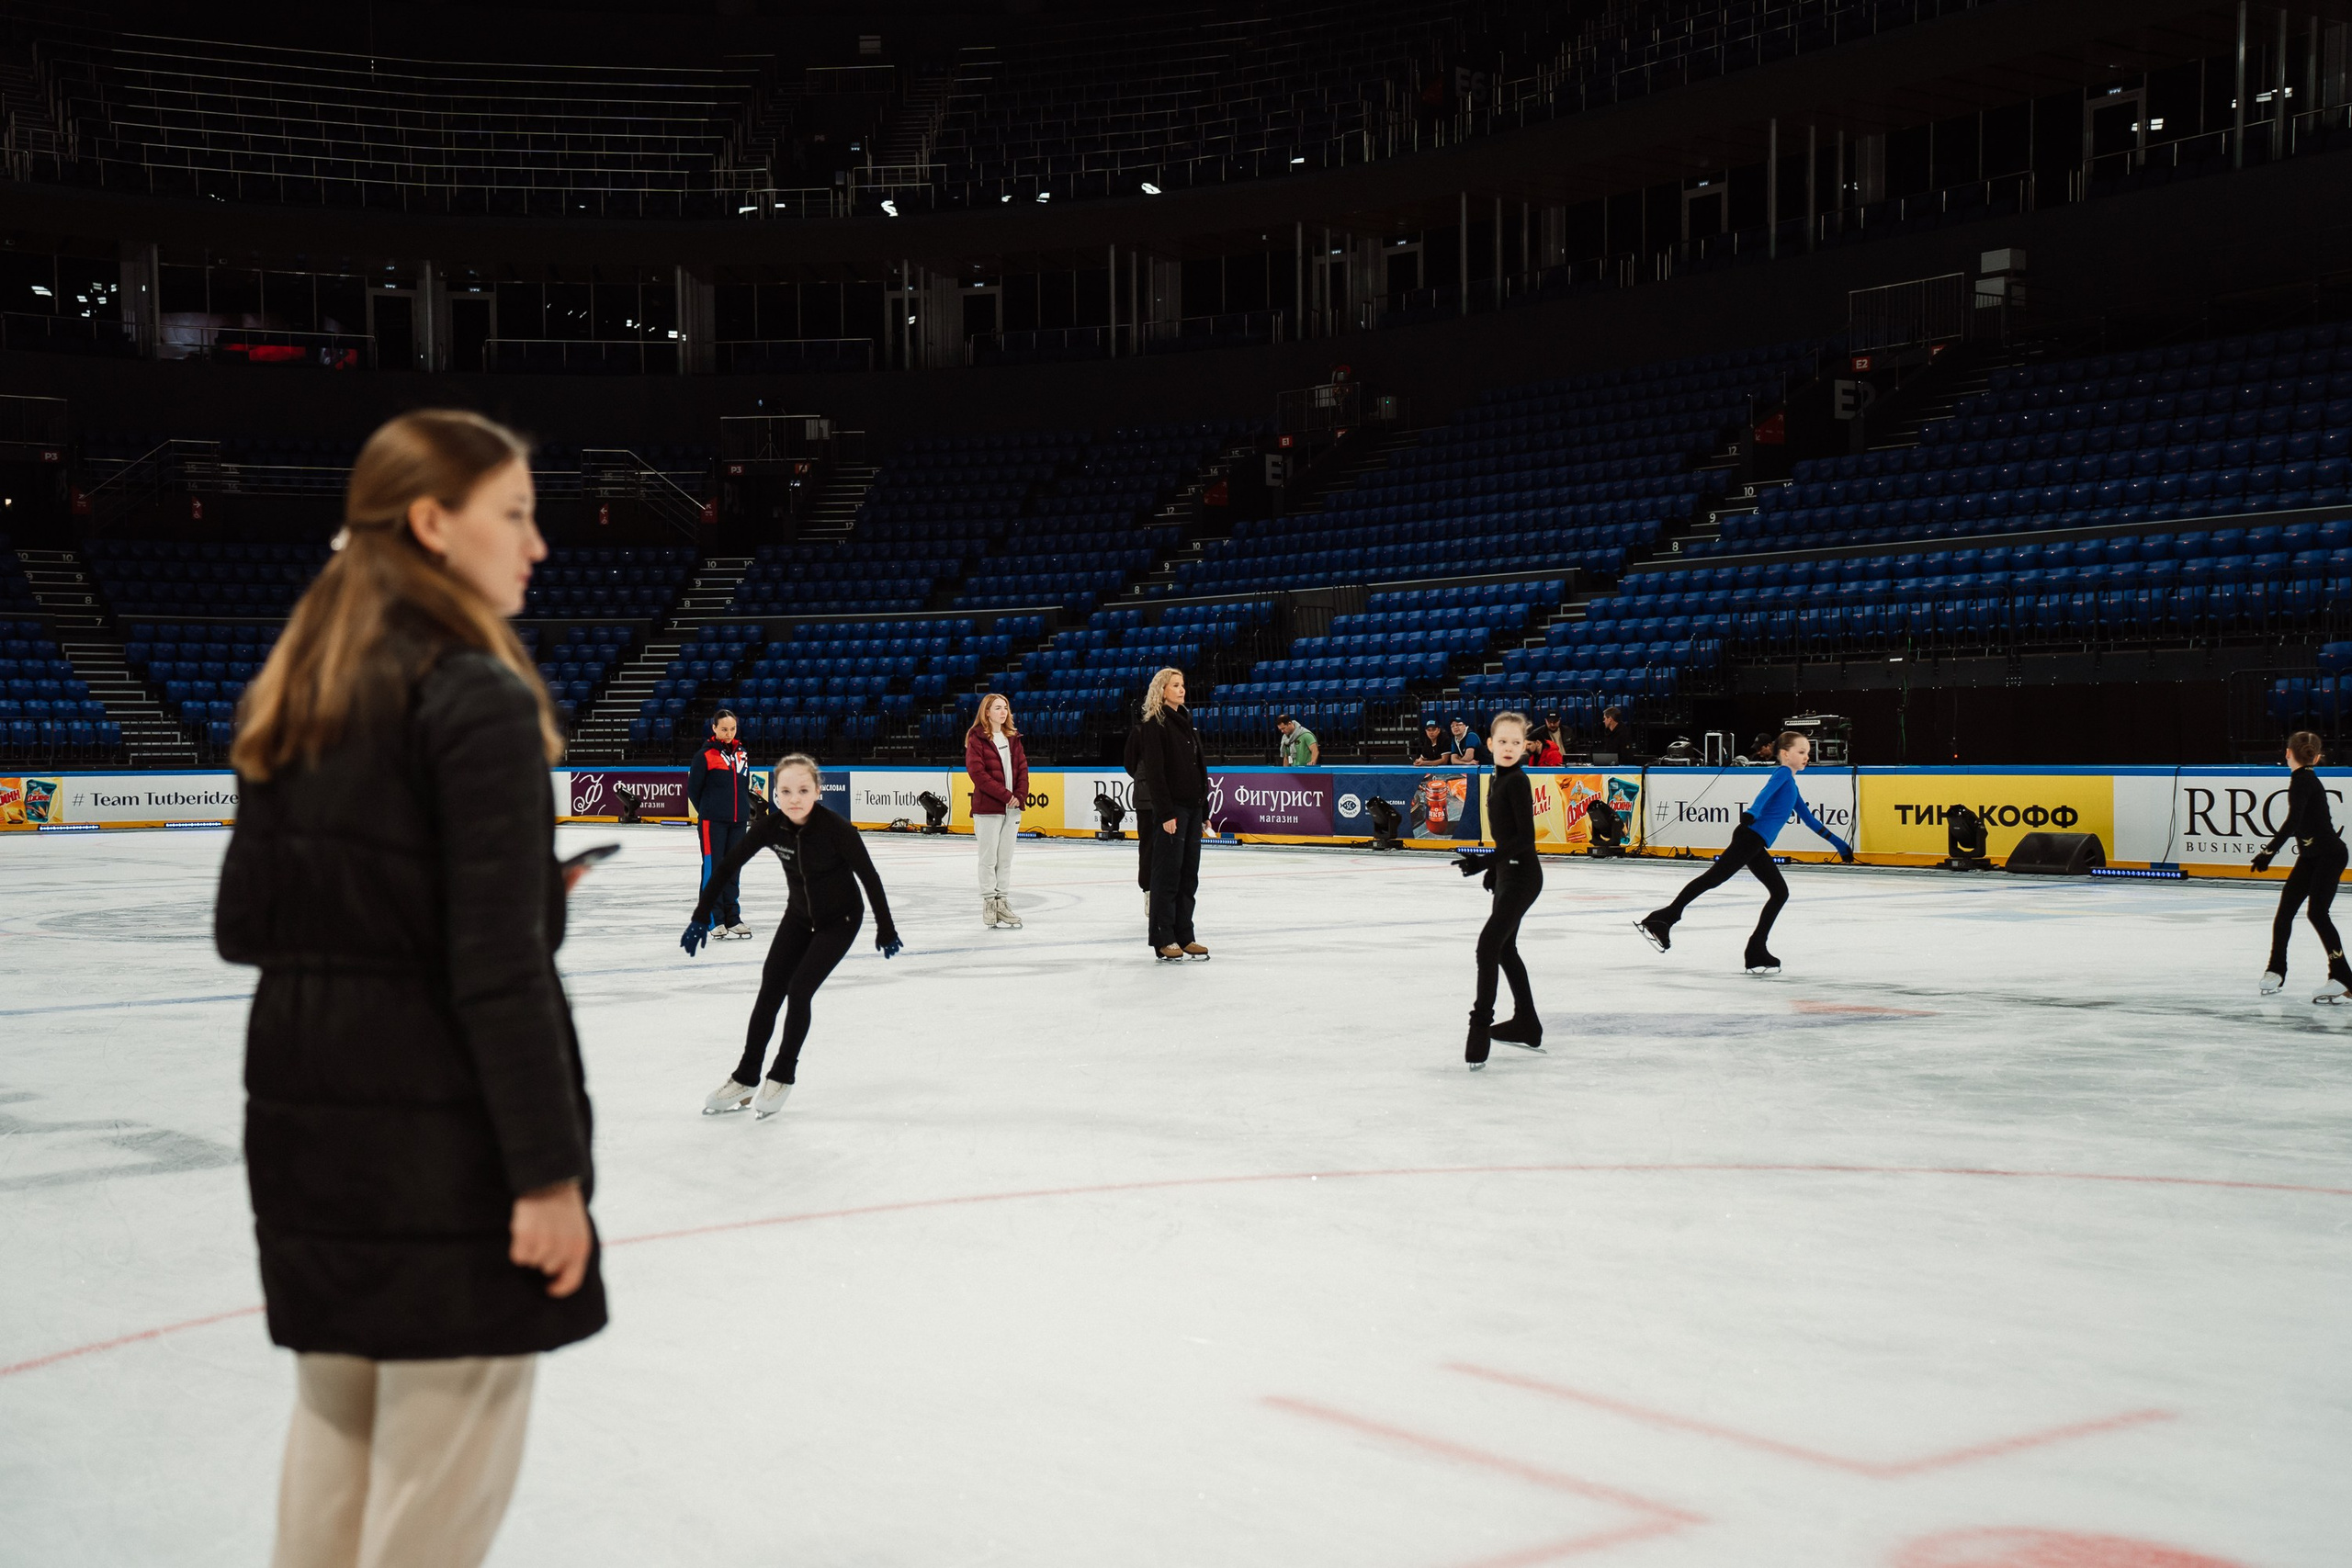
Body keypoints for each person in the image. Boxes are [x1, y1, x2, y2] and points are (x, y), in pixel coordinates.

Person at [217, 409, 601, 1568]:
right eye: (514, 514)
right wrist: (547, 1178)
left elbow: (250, 925)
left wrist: (488, 895)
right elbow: (496, 970)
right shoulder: (475, 693)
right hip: (444, 1150)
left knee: (333, 1460)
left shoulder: (302, 690)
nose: (536, 545)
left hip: (310, 1140)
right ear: (433, 524)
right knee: (439, 1495)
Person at [686, 752, 902, 1118]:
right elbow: (726, 867)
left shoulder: (837, 829)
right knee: (770, 989)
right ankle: (746, 1077)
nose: (794, 798)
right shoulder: (771, 827)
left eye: (803, 790)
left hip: (840, 920)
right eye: (785, 791)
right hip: (799, 917)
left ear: (818, 791)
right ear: (775, 795)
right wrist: (699, 917)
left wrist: (886, 927)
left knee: (800, 990)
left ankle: (782, 1074)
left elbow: (869, 877)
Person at [1635, 728, 1854, 974]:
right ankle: (1665, 918)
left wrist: (1840, 845)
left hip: (1755, 842)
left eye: (1808, 752)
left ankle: (1756, 949)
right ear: (1785, 754)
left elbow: (1811, 821)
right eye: (1801, 752)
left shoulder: (1792, 786)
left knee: (1778, 892)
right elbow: (1765, 793)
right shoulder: (1782, 773)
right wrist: (1752, 812)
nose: (1806, 757)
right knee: (1714, 879)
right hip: (1749, 837)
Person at [1458, 711, 1544, 1068]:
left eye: (1517, 742)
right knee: (1505, 948)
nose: (1509, 748)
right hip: (1508, 873)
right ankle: (1527, 1023)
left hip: (1524, 877)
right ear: (1491, 744)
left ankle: (1480, 1028)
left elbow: (1525, 838)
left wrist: (1485, 862)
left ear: (1525, 747)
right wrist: (1495, 868)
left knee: (1489, 946)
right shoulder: (1497, 780)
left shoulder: (1517, 781)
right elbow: (1506, 834)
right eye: (1503, 741)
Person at [2256, 729, 2351, 1001]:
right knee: (2285, 912)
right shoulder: (2304, 779)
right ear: (2317, 757)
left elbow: (2293, 821)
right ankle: (2276, 969)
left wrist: (2268, 852)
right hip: (2313, 856)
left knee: (2317, 914)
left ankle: (2343, 976)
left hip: (2329, 856)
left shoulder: (2302, 781)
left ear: (2287, 753)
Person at [1134, 666, 1210, 961]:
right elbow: (1155, 773)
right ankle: (1164, 937)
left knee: (1189, 875)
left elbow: (1198, 767)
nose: (1182, 689)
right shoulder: (1155, 724)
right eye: (1175, 685)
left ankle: (1185, 935)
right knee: (1167, 875)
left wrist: (1204, 808)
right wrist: (1166, 813)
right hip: (1172, 811)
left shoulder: (1186, 721)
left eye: (1182, 684)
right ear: (1162, 690)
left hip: (1193, 808)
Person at [689, 708, 756, 940]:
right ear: (714, 728)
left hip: (739, 821)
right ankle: (713, 919)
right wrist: (709, 811)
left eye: (733, 729)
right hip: (713, 822)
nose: (729, 733)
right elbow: (693, 790)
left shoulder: (742, 754)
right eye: (724, 729)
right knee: (714, 869)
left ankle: (733, 918)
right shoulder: (704, 755)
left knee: (733, 870)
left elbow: (744, 784)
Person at [965, 692, 1029, 930]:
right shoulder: (976, 738)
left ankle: (1002, 901)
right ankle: (989, 902)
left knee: (1005, 859)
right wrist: (1006, 796)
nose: (1003, 712)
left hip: (1012, 809)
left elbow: (1023, 770)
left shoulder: (1013, 738)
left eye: (1005, 708)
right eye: (998, 708)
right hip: (989, 809)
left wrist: (1019, 796)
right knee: (988, 858)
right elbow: (978, 774)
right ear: (987, 712)